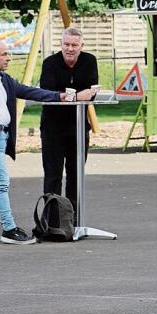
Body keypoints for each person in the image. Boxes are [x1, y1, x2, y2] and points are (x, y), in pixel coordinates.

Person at [0, 41, 95, 245]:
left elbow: (30, 92)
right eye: (4, 54)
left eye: (8, 54)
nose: (9, 58)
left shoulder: (4, 79)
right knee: (1, 182)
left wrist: (61, 96)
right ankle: (9, 229)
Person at [39, 27, 98, 206]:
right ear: (61, 44)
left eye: (74, 45)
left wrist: (66, 95)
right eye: (66, 44)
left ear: (81, 46)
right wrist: (77, 96)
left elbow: (93, 92)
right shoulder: (50, 63)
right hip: (53, 128)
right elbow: (48, 92)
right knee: (52, 175)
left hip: (78, 127)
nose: (70, 49)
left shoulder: (89, 61)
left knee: (76, 174)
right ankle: (53, 220)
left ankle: (74, 219)